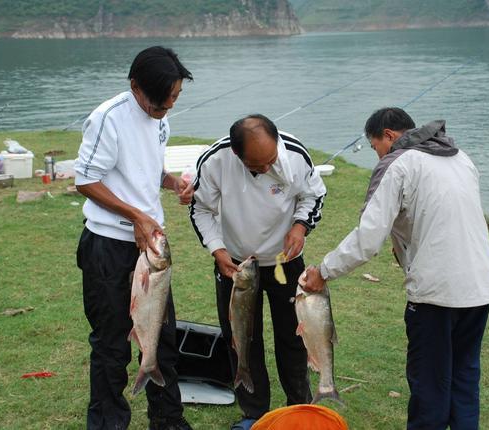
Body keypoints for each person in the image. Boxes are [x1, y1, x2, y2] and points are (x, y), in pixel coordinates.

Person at [302, 107, 489, 430]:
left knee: (429, 384)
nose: (377, 154)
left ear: (390, 136)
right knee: (464, 377)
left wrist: (323, 271)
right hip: (480, 288)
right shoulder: (460, 157)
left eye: (374, 146)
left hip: (436, 294)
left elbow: (368, 238)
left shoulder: (398, 164)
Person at [75, 46, 195, 430]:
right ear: (135, 88)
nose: (169, 107)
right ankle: (109, 424)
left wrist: (173, 181)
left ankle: (167, 420)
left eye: (175, 98)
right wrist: (135, 216)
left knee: (162, 337)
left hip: (151, 247)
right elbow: (86, 180)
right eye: (162, 102)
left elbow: (147, 171)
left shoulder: (160, 119)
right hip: (108, 247)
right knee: (112, 345)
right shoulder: (108, 118)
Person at [189, 114, 327, 430]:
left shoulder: (294, 154)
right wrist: (217, 250)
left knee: (293, 337)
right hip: (236, 265)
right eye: (257, 166)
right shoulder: (215, 160)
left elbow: (313, 196)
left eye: (270, 161)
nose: (266, 169)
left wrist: (300, 226)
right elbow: (201, 209)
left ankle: (299, 407)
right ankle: (253, 412)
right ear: (238, 155)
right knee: (241, 338)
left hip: (284, 262)